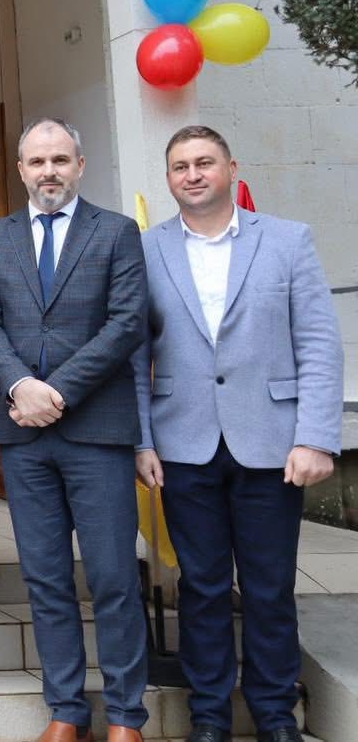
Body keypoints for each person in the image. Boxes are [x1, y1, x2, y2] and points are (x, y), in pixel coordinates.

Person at [135, 126, 342, 742]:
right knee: (200, 588)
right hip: (182, 444)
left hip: (273, 444)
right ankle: (209, 717)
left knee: (269, 587)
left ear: (231, 168)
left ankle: (276, 715)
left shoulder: (287, 240)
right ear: (168, 179)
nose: (193, 174)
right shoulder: (146, 249)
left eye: (204, 162)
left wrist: (316, 437)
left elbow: (318, 343)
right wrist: (142, 440)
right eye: (180, 166)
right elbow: (134, 355)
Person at [0, 117, 150, 742]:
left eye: (60, 160)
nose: (49, 171)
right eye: (38, 161)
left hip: (97, 430)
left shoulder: (116, 232)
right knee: (45, 579)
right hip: (23, 434)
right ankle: (66, 711)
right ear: (20, 169)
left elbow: (126, 323)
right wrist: (22, 385)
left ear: (80, 165)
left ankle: (125, 716)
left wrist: (58, 391)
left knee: (113, 577)